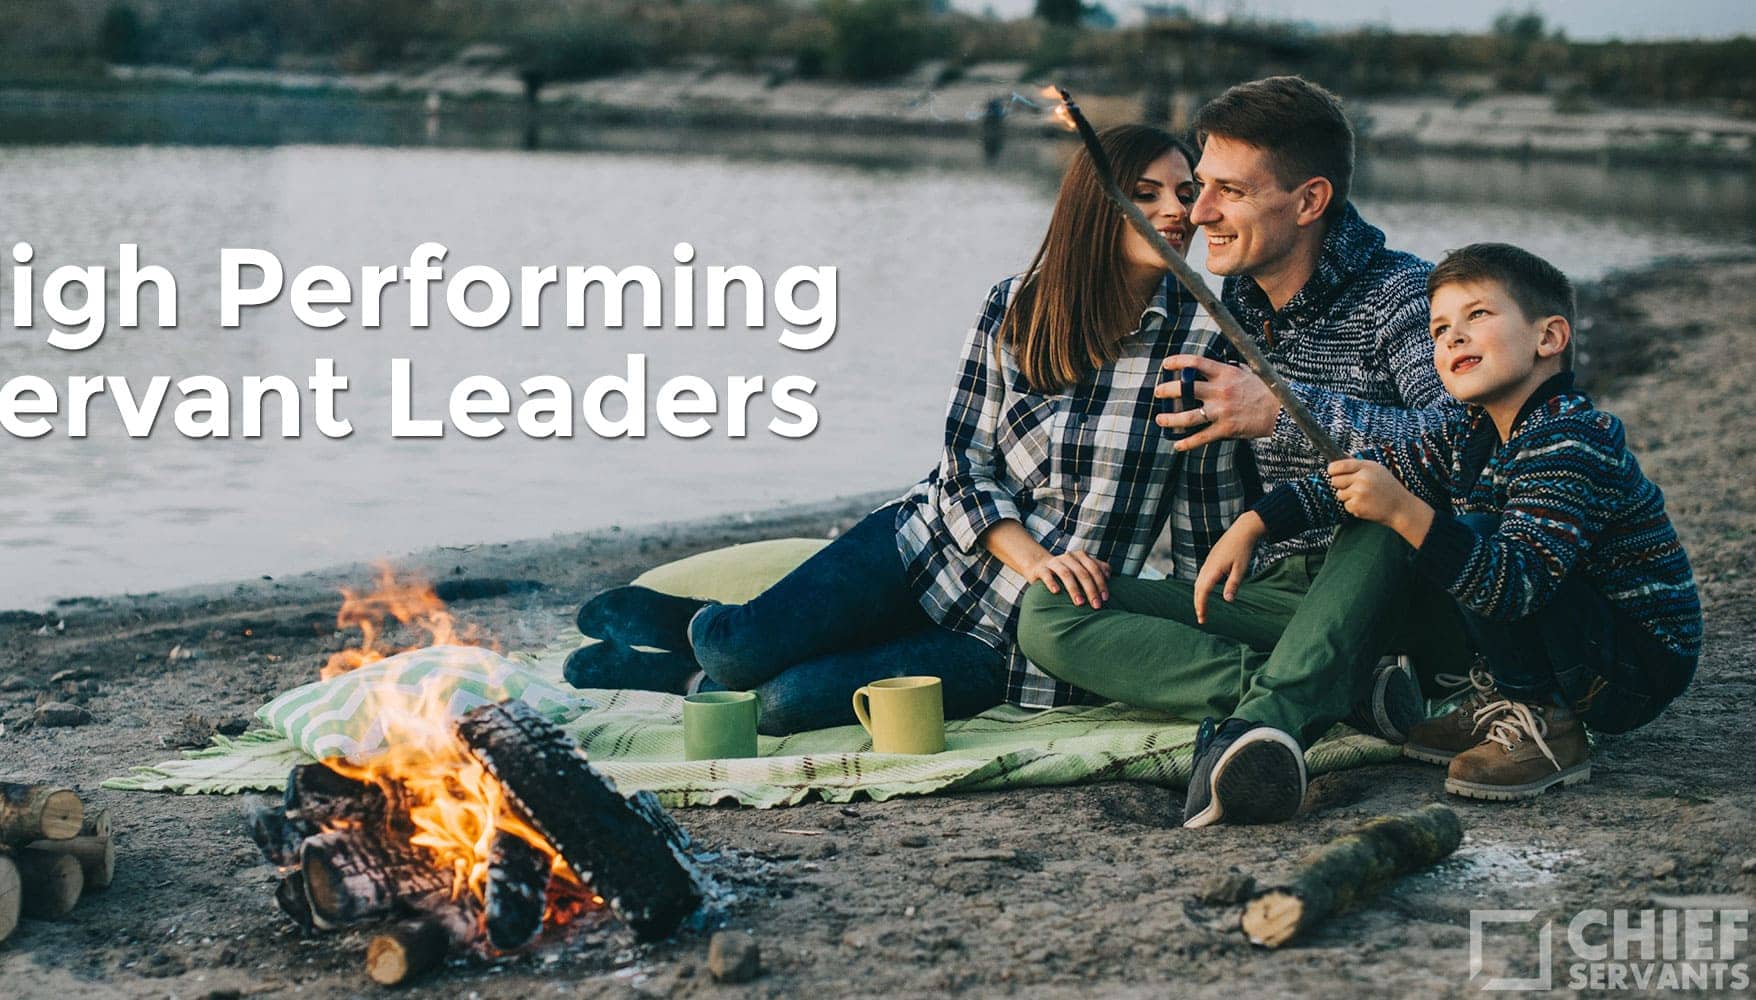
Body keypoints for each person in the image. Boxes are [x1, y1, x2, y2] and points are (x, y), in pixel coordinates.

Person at [566, 124, 1247, 736]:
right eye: (1147, 194)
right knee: (737, 651)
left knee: (780, 706)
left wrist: (1206, 626)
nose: (1178, 211)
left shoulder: (1208, 342)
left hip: (1014, 643)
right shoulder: (1019, 305)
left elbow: (1204, 516)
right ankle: (701, 629)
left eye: (1186, 194)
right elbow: (963, 462)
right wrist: (1035, 558)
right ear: (1097, 206)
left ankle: (686, 680)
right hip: (926, 550)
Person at [1019, 76, 1445, 829]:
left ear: (1309, 202)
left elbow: (1461, 447)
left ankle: (1262, 727)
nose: (1197, 212)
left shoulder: (1404, 298)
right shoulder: (1231, 304)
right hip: (1283, 594)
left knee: (1378, 497)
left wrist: (1279, 412)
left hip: (1394, 585)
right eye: (1202, 186)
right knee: (1051, 610)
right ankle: (1346, 693)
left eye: (1230, 192)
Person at [1207, 243, 1701, 800]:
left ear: (1549, 337)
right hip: (1574, 634)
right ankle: (1511, 695)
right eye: (1439, 329)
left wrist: (1405, 511)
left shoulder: (1567, 438)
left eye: (1477, 315)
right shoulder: (1470, 431)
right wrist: (1258, 522)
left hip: (1635, 664)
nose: (1452, 338)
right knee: (1452, 528)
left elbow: (1516, 584)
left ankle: (1545, 722)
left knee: (1473, 535)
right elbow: (1377, 469)